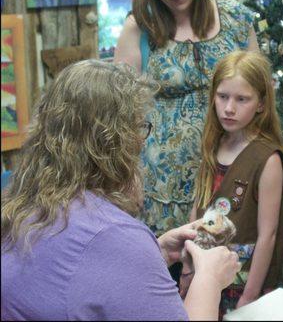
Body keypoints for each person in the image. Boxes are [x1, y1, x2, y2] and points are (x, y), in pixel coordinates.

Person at [0, 60, 240, 321]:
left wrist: (155, 253)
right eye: (138, 127)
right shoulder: (115, 236)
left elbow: (68, 279)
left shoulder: (24, 202)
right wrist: (210, 279)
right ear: (116, 142)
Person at [114, 0, 259, 239]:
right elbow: (122, 112)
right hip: (162, 186)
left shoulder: (236, 20)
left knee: (228, 266)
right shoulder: (139, 28)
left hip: (229, 170)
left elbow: (260, 92)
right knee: (171, 269)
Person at [182, 51, 283, 315]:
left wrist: (249, 296)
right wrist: (186, 267)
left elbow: (268, 235)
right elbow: (198, 209)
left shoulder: (268, 158)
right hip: (203, 276)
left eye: (242, 99)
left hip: (240, 285)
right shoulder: (213, 144)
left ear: (261, 104)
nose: (229, 108)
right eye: (223, 97)